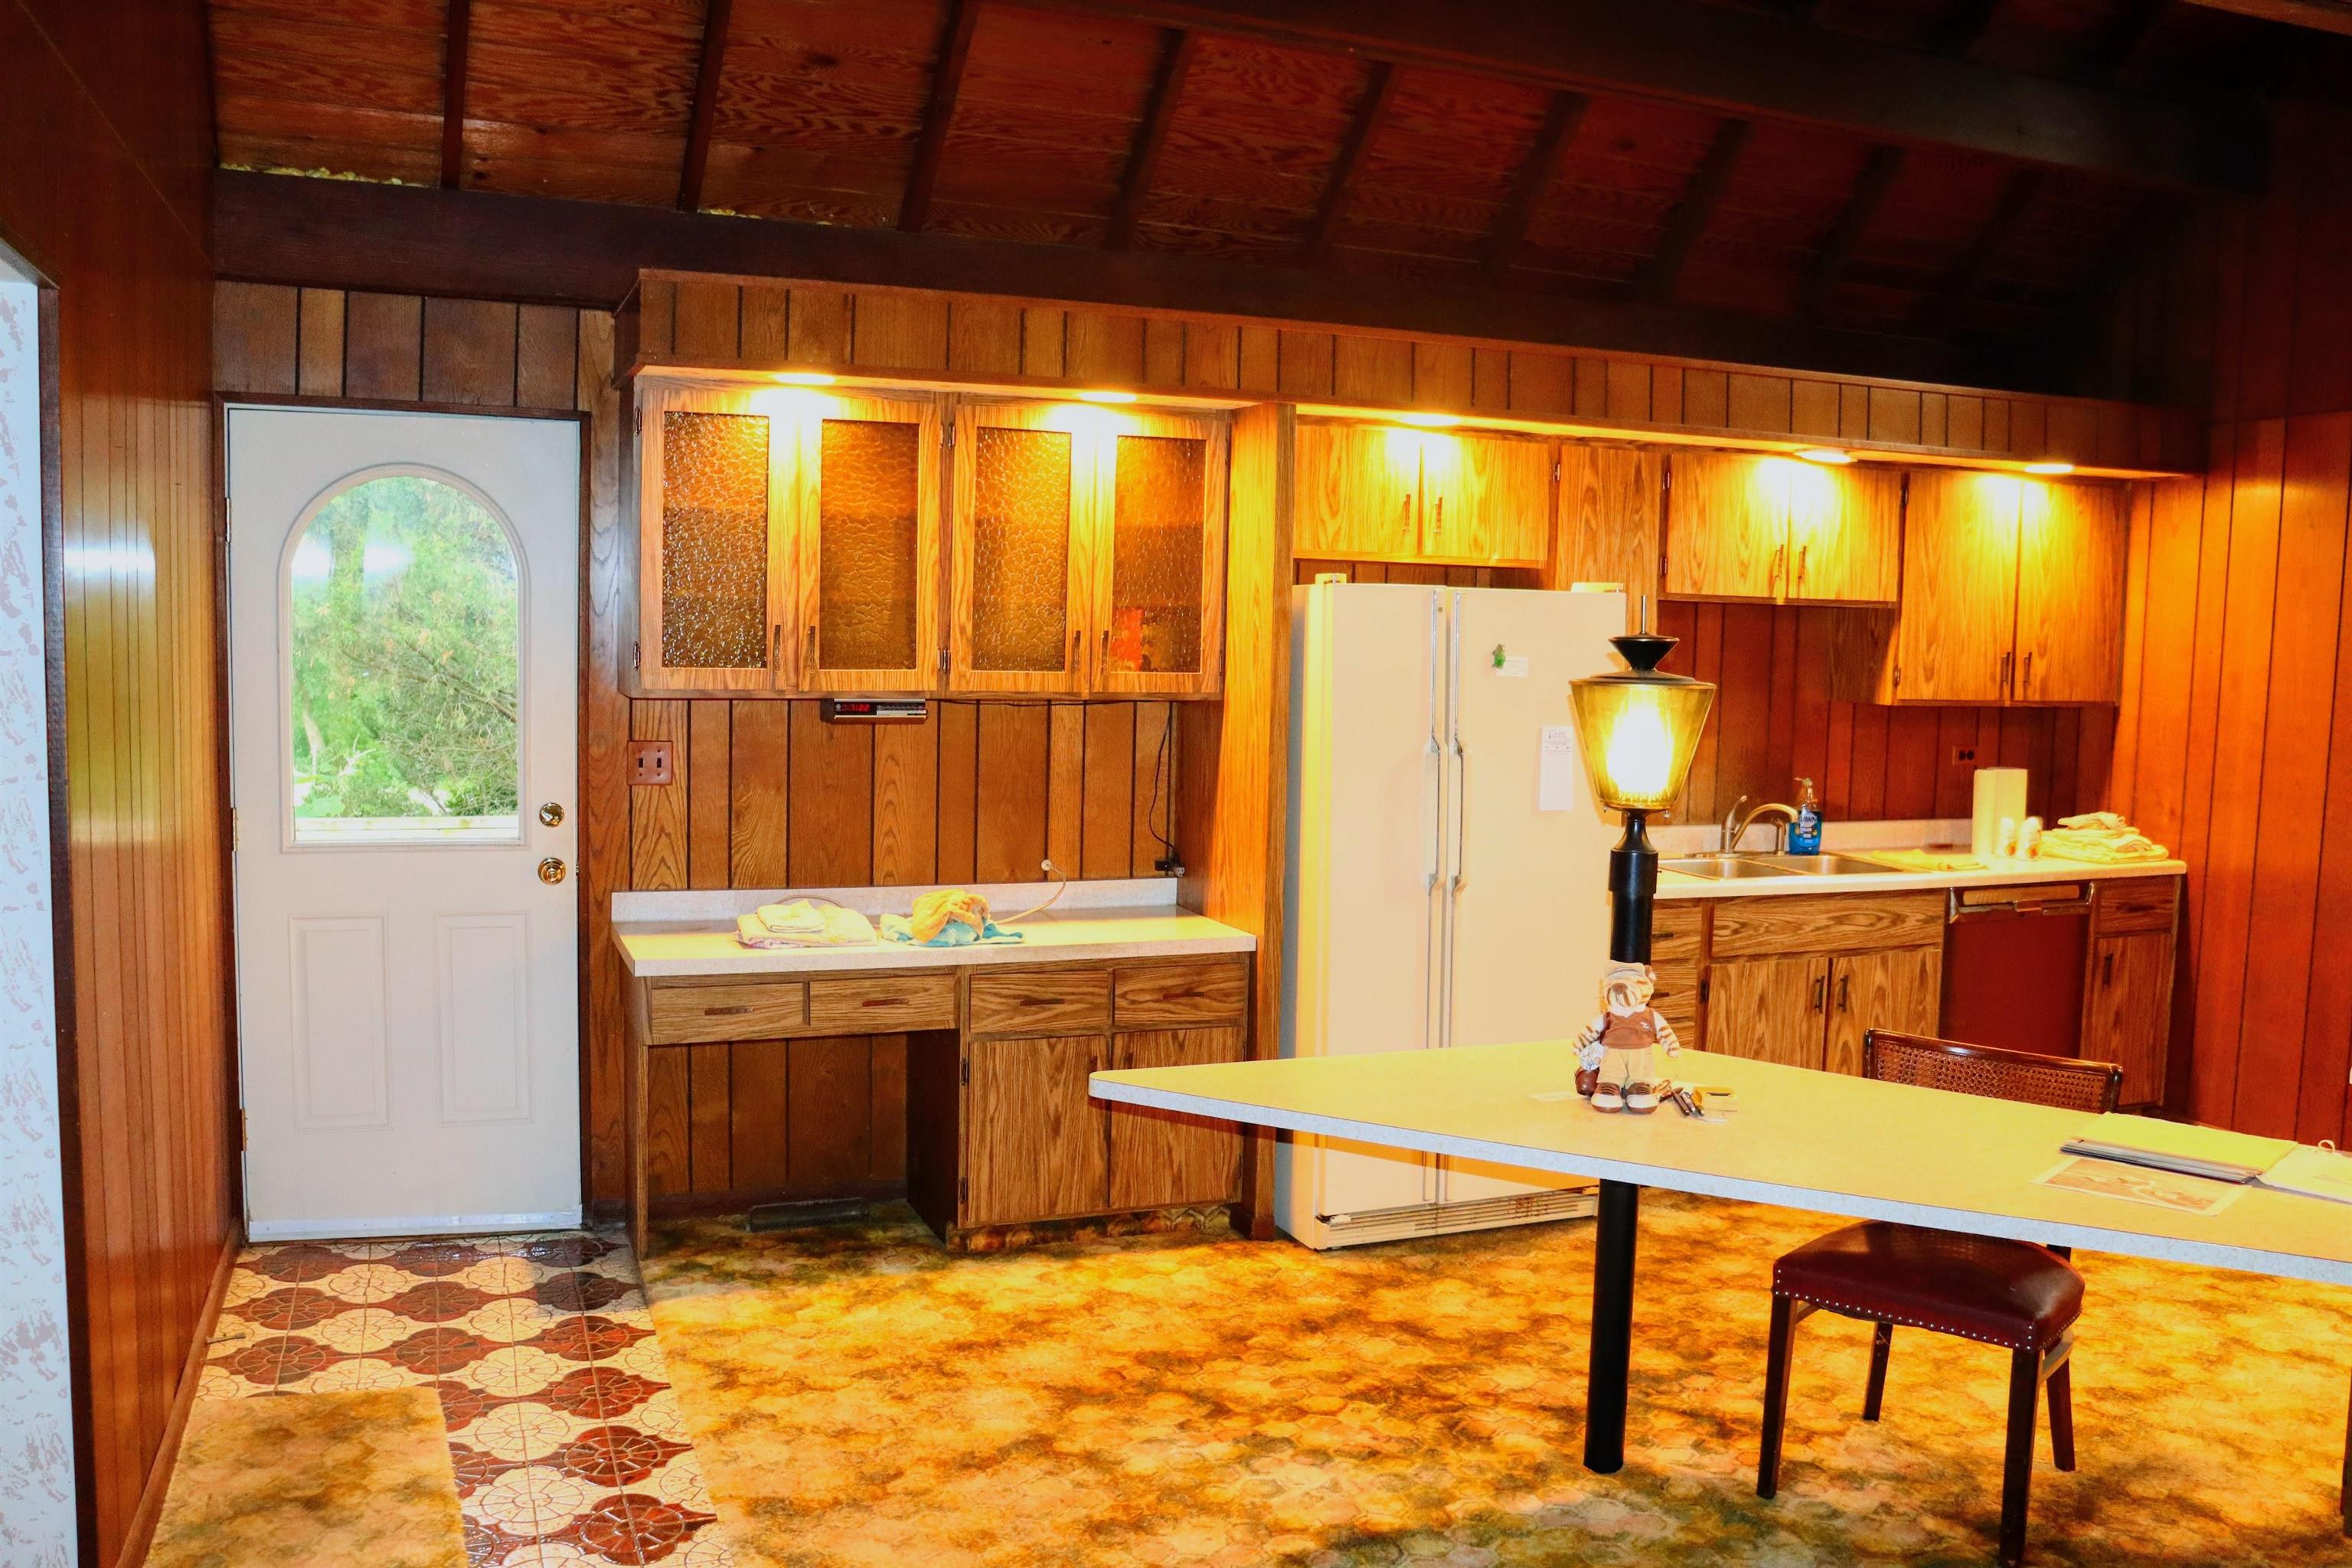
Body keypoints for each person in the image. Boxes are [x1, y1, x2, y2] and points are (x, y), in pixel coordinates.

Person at [1576, 963, 1682, 1114]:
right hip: (1612, 1054)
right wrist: (1580, 1044)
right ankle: (1609, 1086)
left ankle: (1639, 1087)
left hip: (1640, 1056)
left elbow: (1663, 1030)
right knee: (1611, 1071)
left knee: (1639, 1073)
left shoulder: (1649, 1015)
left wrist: (1671, 1046)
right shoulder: (1608, 1016)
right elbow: (1591, 1030)